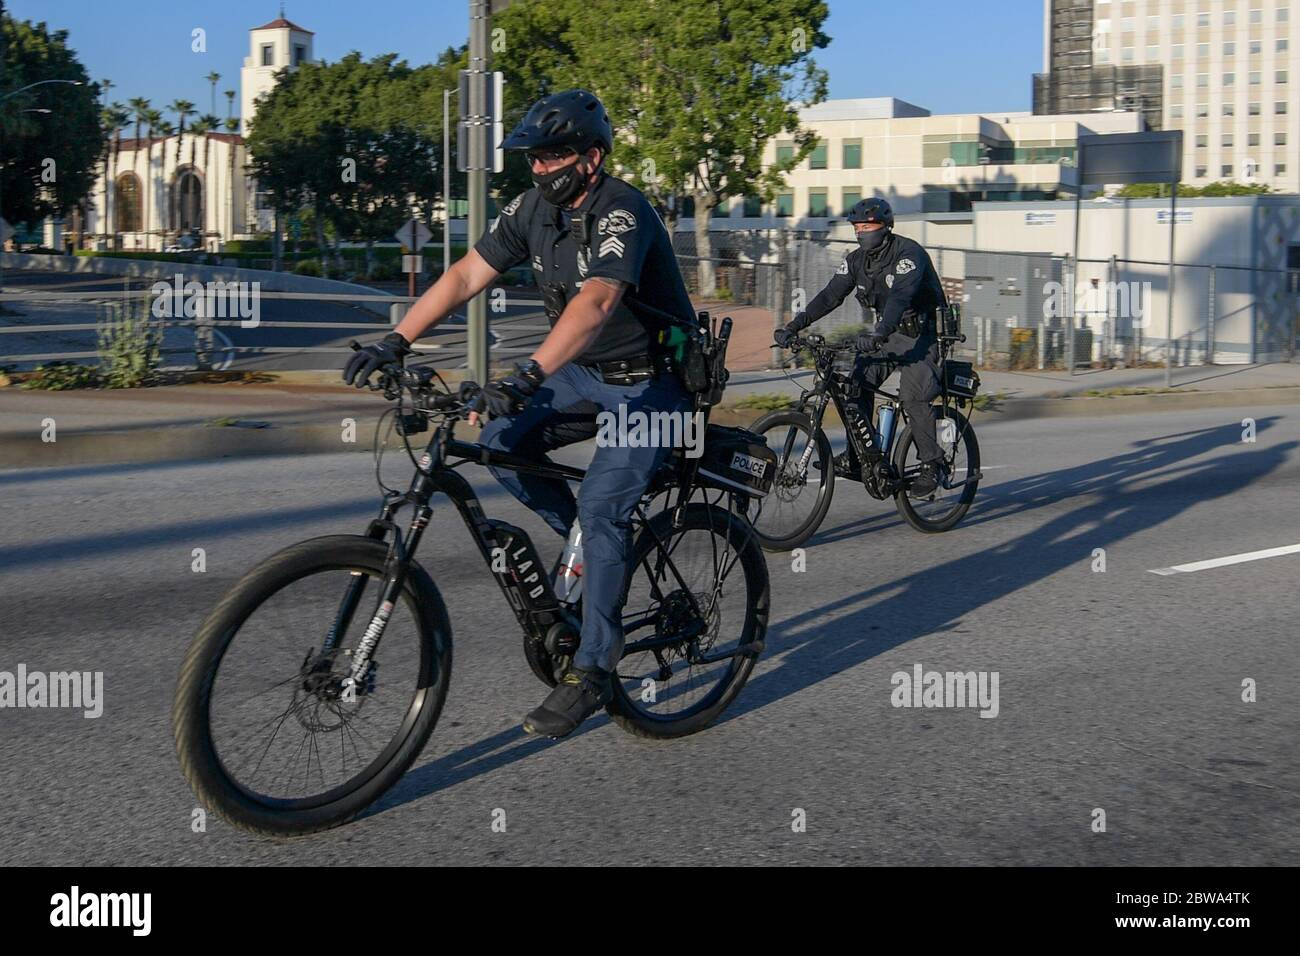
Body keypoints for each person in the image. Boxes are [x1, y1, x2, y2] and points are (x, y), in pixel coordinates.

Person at [343, 89, 695, 738]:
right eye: (533, 158)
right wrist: (398, 339)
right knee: (502, 437)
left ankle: (593, 670)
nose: (540, 168)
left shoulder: (624, 210)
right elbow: (463, 277)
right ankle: (587, 551)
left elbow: (594, 305)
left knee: (601, 502)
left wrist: (526, 374)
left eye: (553, 156)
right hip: (583, 375)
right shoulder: (534, 209)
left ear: (592, 159)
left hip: (655, 387)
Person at [773, 197, 948, 495]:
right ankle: (859, 457)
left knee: (913, 396)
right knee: (854, 384)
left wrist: (879, 332)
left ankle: (933, 465)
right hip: (889, 334)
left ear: (885, 226)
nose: (862, 231)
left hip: (924, 335)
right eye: (857, 226)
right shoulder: (856, 261)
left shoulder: (908, 254)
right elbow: (830, 296)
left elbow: (900, 298)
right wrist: (793, 326)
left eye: (868, 226)